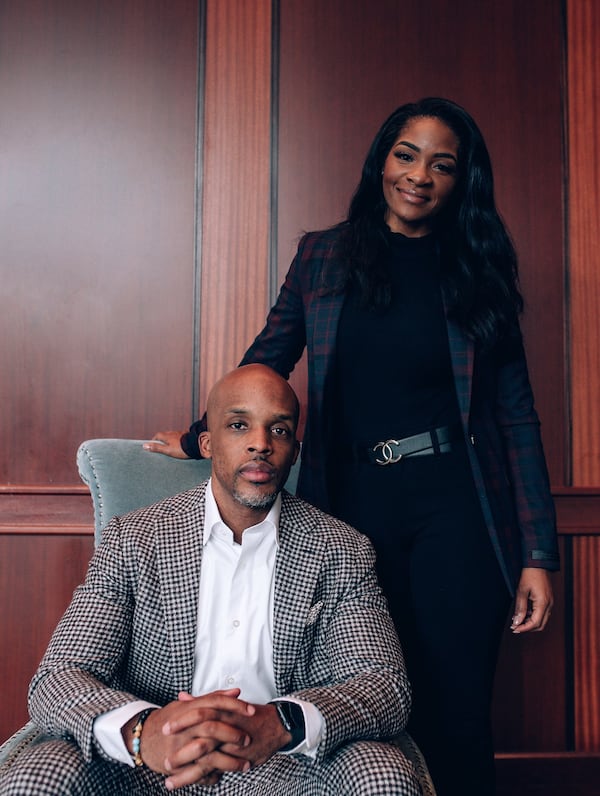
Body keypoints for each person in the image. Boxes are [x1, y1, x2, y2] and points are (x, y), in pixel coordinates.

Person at [146, 97, 560, 796]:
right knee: (356, 698)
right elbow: (267, 363)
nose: (420, 176)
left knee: (458, 710)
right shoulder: (322, 257)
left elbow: (517, 417)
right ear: (382, 161)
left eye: (443, 165)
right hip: (348, 505)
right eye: (406, 155)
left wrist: (538, 553)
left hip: (455, 505)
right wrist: (201, 434)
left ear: (462, 182)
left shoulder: (476, 270)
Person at [0, 364, 420, 796]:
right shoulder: (134, 538)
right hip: (150, 763)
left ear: (294, 451)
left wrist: (280, 723)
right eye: (239, 425)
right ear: (208, 443)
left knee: (382, 775)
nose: (260, 443)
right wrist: (144, 732)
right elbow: (60, 674)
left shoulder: (340, 549)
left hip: (288, 765)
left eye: (278, 430)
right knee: (39, 775)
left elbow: (383, 682)